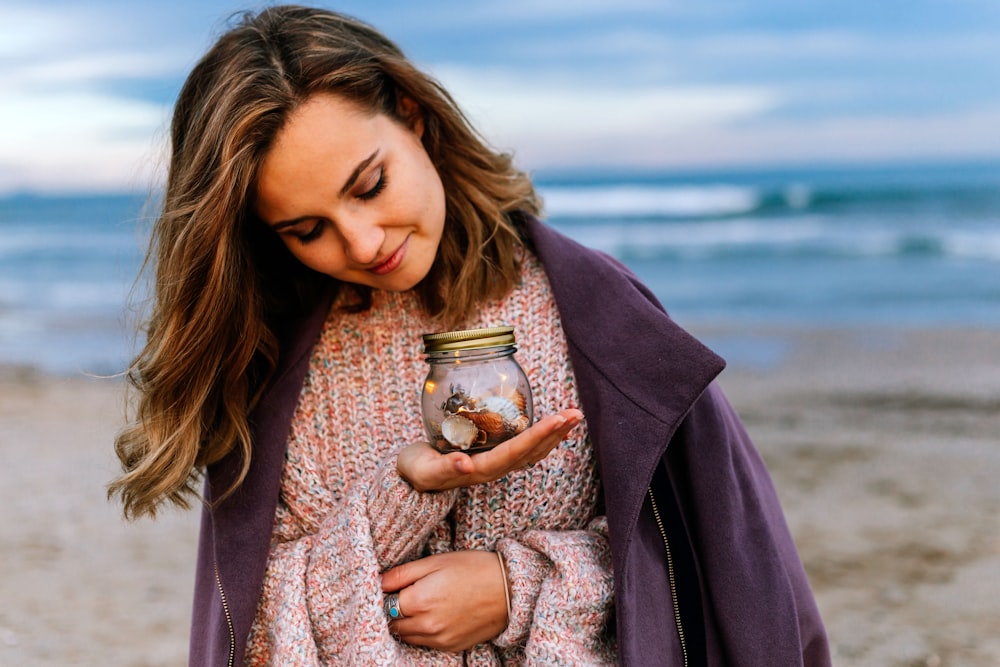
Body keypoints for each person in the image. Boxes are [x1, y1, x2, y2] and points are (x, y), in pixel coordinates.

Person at [109, 5, 831, 666]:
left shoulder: (600, 314)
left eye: (369, 186)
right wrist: (400, 495)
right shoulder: (270, 371)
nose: (361, 241)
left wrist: (517, 587)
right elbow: (257, 630)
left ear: (413, 116)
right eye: (308, 229)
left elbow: (706, 566)